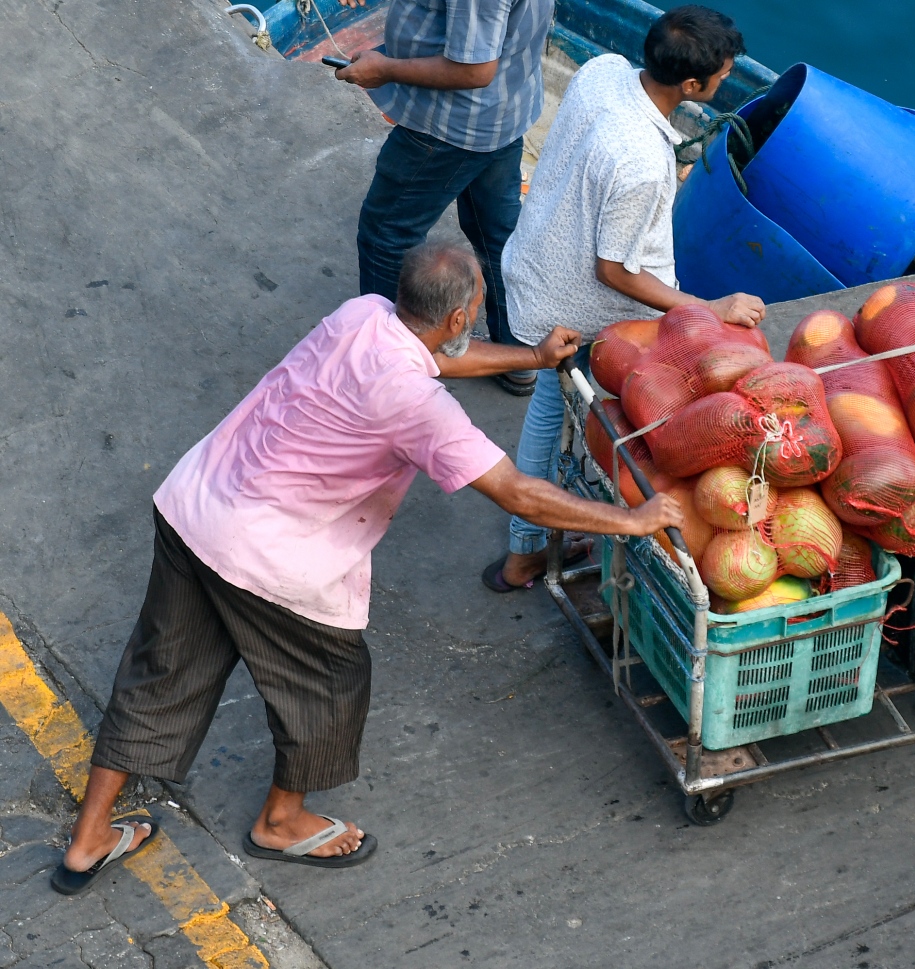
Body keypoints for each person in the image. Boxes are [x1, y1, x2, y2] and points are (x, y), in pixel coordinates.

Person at [51, 241, 682, 895]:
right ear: (462, 318)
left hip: (199, 503)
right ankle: (282, 818)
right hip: (264, 550)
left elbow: (433, 356)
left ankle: (90, 836)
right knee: (330, 678)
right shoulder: (419, 406)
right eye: (477, 309)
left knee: (162, 671)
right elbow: (517, 491)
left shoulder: (363, 315)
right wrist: (634, 519)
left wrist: (533, 355)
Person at [485, 4, 765, 593]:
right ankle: (528, 549)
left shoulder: (604, 69)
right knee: (564, 411)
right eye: (720, 75)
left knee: (548, 403)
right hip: (576, 304)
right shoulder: (640, 163)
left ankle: (528, 545)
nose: (725, 81)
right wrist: (708, 309)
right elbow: (614, 271)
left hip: (535, 263)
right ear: (692, 86)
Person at [335, 0, 552, 397]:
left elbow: (474, 69)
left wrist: (384, 69)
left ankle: (386, 366)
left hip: (450, 127)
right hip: (504, 112)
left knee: (386, 234)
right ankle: (516, 352)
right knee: (497, 233)